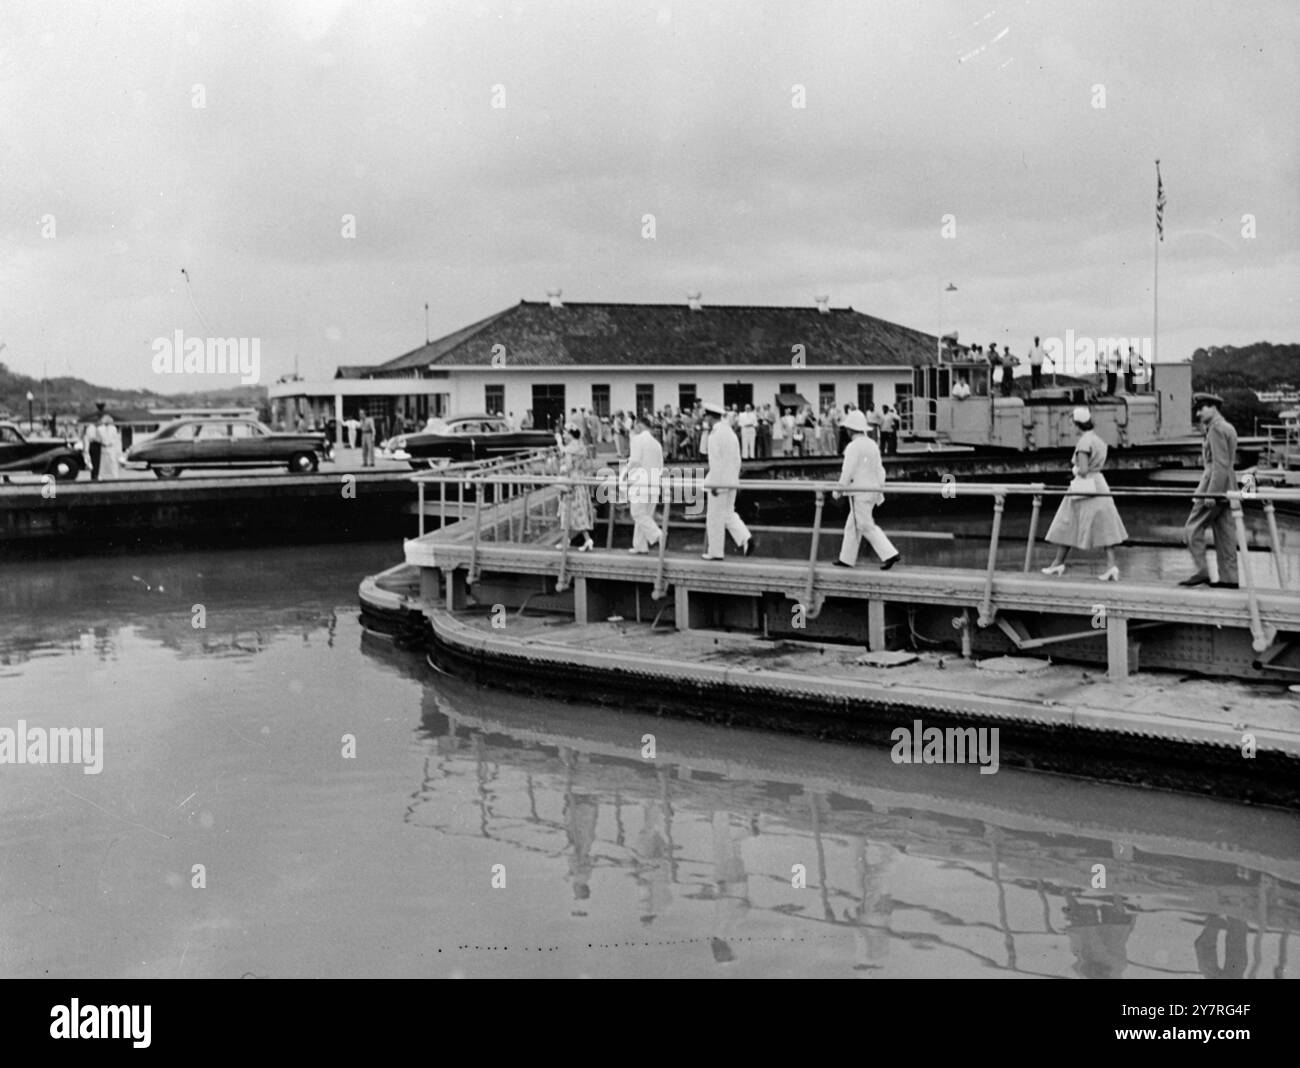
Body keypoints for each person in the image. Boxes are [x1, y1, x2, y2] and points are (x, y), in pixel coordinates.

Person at [1040, 407, 1128, 580]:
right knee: (1106, 525)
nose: (1071, 427)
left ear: (1077, 424)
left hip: (1084, 486)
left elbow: (1084, 469)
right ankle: (1111, 566)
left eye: (1072, 423)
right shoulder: (1098, 440)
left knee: (1067, 522)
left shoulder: (1083, 443)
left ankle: (1057, 563)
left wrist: (1075, 469)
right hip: (1100, 484)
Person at [1181, 394, 1239, 588]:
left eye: (1201, 408)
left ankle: (1202, 571)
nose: (1198, 413)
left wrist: (1211, 494)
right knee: (1225, 535)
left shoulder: (1215, 429)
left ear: (1213, 407)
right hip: (1229, 487)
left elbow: (1219, 465)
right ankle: (1229, 580)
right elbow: (1226, 464)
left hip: (1213, 486)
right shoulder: (1228, 427)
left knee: (1192, 528)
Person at [833, 410, 899, 569]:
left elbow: (847, 471)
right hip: (872, 490)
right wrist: (879, 490)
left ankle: (890, 553)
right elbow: (880, 470)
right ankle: (846, 558)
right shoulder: (872, 444)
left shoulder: (853, 447)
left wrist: (838, 490)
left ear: (850, 430)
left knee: (865, 525)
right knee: (853, 525)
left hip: (859, 492)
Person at [701, 402, 752, 560]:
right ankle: (745, 538)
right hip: (732, 481)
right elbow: (736, 460)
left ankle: (715, 552)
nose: (706, 420)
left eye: (706, 417)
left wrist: (715, 484)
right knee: (728, 514)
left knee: (714, 518)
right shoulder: (730, 432)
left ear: (710, 417)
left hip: (720, 482)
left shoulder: (715, 435)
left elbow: (715, 462)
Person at [625, 414, 663, 554]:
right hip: (654, 482)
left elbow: (634, 460)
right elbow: (660, 466)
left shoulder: (637, 440)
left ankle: (658, 535)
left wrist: (624, 475)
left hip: (640, 482)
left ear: (639, 425)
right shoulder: (657, 444)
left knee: (637, 513)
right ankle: (640, 546)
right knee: (646, 515)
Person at [558, 427, 595, 551]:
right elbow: (585, 465)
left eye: (564, 433)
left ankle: (569, 540)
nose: (563, 435)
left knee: (566, 509)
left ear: (570, 434)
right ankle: (585, 540)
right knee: (580, 510)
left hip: (571, 480)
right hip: (580, 479)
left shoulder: (569, 449)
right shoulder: (581, 447)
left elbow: (568, 467)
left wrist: (562, 468)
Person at [96, 415, 122, 480]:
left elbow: (116, 439)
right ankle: (101, 477)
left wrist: (118, 451)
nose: (107, 421)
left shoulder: (113, 428)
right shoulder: (99, 429)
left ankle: (115, 477)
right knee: (102, 463)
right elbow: (98, 439)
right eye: (105, 420)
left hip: (111, 447)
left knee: (113, 462)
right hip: (103, 447)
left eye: (108, 420)